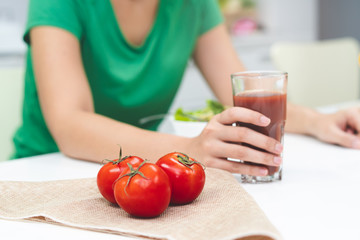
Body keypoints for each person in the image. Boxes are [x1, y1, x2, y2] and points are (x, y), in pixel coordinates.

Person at [12, 0, 360, 177]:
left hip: (142, 172)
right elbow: (71, 126)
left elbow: (243, 91)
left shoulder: (193, 4)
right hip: (47, 170)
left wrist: (319, 120)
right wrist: (188, 149)